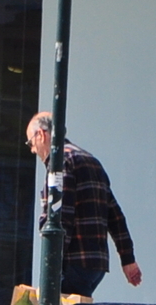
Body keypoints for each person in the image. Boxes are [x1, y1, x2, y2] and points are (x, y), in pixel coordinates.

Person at [26, 112, 140, 294]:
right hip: (96, 264)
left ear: (41, 134)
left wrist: (53, 263)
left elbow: (62, 217)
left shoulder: (61, 163)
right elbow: (114, 215)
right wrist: (128, 259)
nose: (32, 150)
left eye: (31, 143)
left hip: (74, 260)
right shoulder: (91, 161)